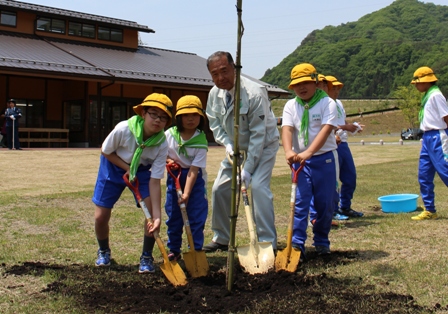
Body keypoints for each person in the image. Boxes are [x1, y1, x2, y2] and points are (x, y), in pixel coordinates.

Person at [203, 51, 280, 252]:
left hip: (262, 146)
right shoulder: (214, 94)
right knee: (219, 188)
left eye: (224, 71)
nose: (221, 78)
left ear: (234, 68)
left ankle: (266, 242)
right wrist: (227, 143)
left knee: (258, 188)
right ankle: (222, 237)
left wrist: (248, 169)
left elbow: (258, 134)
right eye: (215, 74)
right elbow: (214, 123)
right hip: (235, 149)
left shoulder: (254, 93)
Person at [92, 93, 172, 273]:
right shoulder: (123, 129)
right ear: (143, 113)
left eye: (163, 117)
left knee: (151, 214)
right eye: (153, 114)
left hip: (142, 171)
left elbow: (155, 180)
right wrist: (127, 168)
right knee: (100, 216)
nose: (157, 120)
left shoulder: (161, 143)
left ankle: (146, 256)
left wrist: (157, 216)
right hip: (113, 165)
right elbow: (106, 151)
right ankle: (103, 251)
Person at [281, 63, 338, 257]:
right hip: (300, 162)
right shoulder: (291, 105)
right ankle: (297, 244)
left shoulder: (327, 103)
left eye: (306, 82)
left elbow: (326, 129)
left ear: (315, 82)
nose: (301, 87)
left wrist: (310, 152)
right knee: (299, 203)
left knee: (325, 204)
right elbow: (287, 129)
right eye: (297, 84)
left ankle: (321, 240)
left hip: (324, 160)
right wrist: (289, 150)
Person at [164, 95, 209, 261]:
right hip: (173, 179)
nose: (190, 119)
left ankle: (195, 249)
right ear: (178, 117)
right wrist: (169, 161)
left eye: (195, 115)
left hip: (194, 181)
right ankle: (173, 249)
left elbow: (194, 170)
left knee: (196, 216)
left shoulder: (200, 139)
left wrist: (187, 194)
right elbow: (161, 154)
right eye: (185, 115)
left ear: (201, 117)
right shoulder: (169, 135)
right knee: (174, 216)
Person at [409, 66, 448, 220]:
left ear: (426, 82)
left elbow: (446, 117)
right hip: (427, 138)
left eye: (417, 83)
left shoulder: (436, 95)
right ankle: (429, 210)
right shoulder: (427, 96)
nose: (416, 86)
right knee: (424, 174)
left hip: (438, 136)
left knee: (445, 171)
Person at [326, 75, 364, 218]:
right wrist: (346, 127)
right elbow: (327, 126)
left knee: (350, 177)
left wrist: (353, 126)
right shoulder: (325, 104)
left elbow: (342, 122)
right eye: (333, 88)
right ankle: (334, 209)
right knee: (333, 179)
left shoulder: (339, 103)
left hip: (343, 144)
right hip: (332, 144)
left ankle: (345, 206)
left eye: (338, 88)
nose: (337, 91)